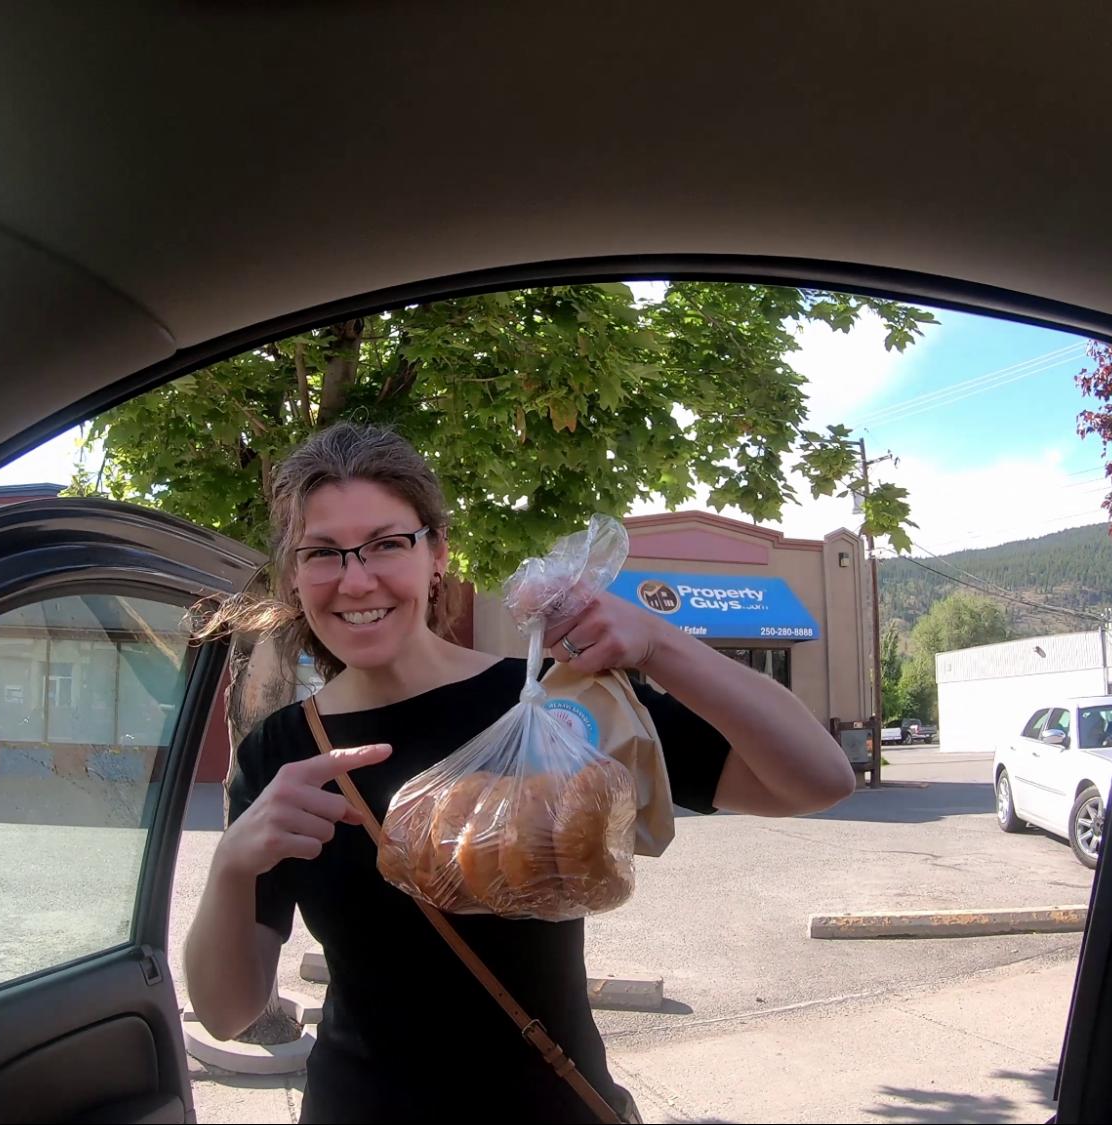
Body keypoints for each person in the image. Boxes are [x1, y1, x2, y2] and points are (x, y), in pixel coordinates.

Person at [184, 422, 857, 1123]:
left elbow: (816, 779)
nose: (356, 579)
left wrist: (658, 643)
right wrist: (232, 865)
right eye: (322, 552)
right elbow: (228, 1012)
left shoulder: (549, 704)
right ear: (294, 575)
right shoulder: (281, 752)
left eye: (387, 543)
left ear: (436, 553)